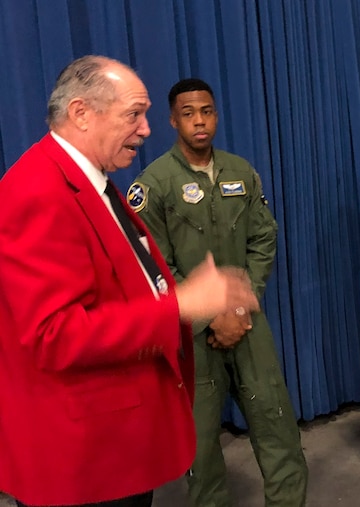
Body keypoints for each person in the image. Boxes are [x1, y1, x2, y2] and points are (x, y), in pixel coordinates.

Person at [0, 56, 260, 507]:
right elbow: (54, 335)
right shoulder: (37, 192)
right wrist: (179, 305)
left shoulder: (90, 179)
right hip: (83, 461)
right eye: (133, 114)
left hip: (117, 442)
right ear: (81, 113)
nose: (146, 129)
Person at [130, 78, 308, 507]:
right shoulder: (154, 185)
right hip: (191, 335)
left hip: (248, 324)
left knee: (277, 425)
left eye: (206, 111)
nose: (199, 121)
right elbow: (155, 267)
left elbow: (264, 239)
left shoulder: (241, 172)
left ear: (216, 114)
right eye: (188, 113)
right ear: (173, 120)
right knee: (201, 444)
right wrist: (211, 316)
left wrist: (242, 307)